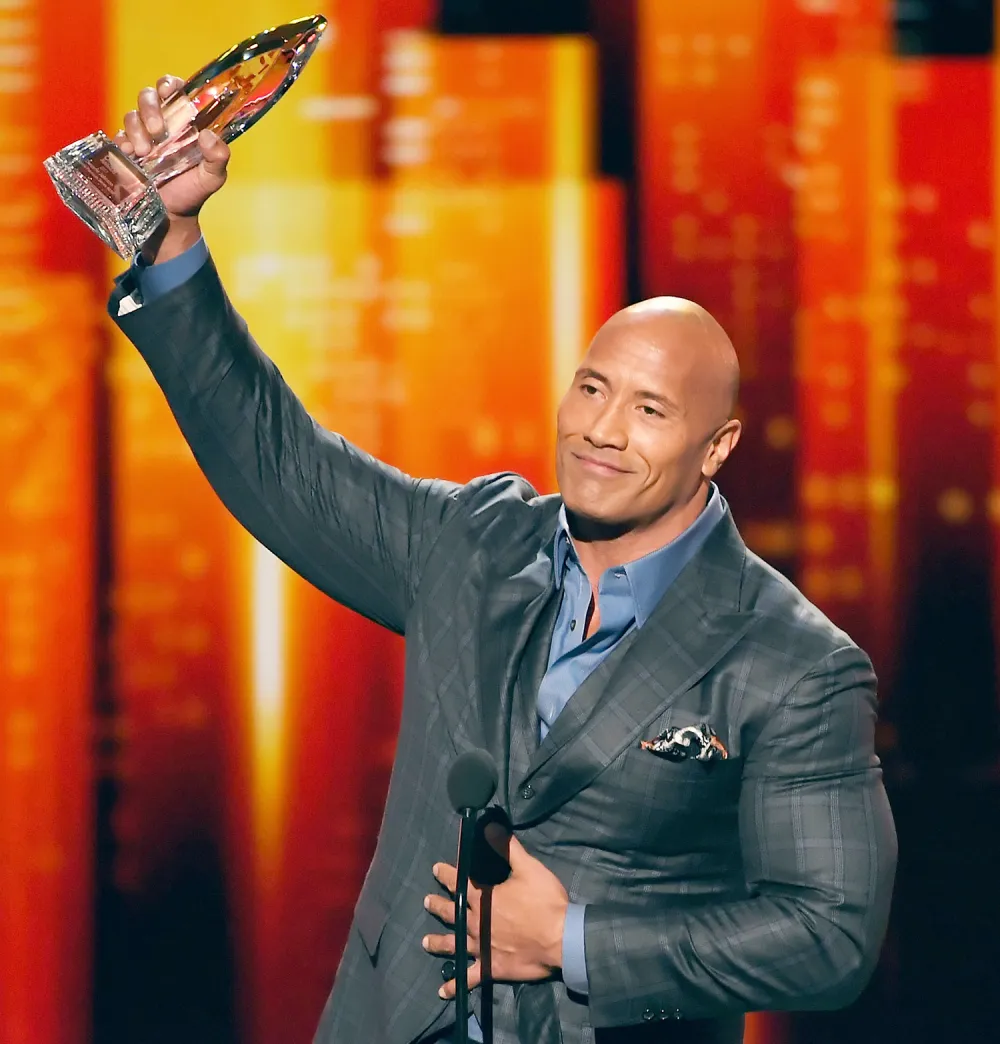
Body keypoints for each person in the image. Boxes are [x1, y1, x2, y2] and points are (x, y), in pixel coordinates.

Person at [109, 78, 897, 1044]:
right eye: (592, 389)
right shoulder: (472, 543)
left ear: (719, 445)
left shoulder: (794, 663)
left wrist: (575, 943)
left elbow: (829, 937)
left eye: (649, 410)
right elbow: (281, 463)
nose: (602, 433)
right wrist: (172, 239)